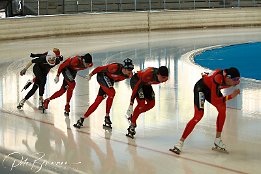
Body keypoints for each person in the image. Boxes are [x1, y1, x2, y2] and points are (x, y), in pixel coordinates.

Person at [170, 67, 241, 154]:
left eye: (238, 79)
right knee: (198, 115)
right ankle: (180, 143)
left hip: (212, 89)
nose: (237, 82)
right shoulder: (218, 78)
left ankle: (217, 140)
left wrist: (207, 75)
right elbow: (215, 100)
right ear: (228, 78)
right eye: (235, 79)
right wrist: (230, 96)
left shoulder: (232, 80)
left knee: (222, 109)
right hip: (201, 89)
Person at [73, 58, 134, 129]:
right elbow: (99, 68)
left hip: (109, 81)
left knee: (98, 101)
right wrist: (91, 74)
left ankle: (82, 118)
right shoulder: (114, 67)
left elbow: (116, 79)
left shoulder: (129, 75)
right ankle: (107, 116)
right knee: (112, 92)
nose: (130, 72)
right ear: (124, 68)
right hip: (102, 76)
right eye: (129, 70)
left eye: (131, 70)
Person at [125, 66, 169, 138]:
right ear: (158, 74)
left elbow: (150, 82)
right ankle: (132, 125)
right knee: (141, 104)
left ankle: (133, 116)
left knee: (151, 104)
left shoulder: (163, 78)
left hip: (147, 83)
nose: (164, 80)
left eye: (166, 77)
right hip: (137, 81)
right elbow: (136, 88)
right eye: (163, 77)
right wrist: (131, 103)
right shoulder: (148, 75)